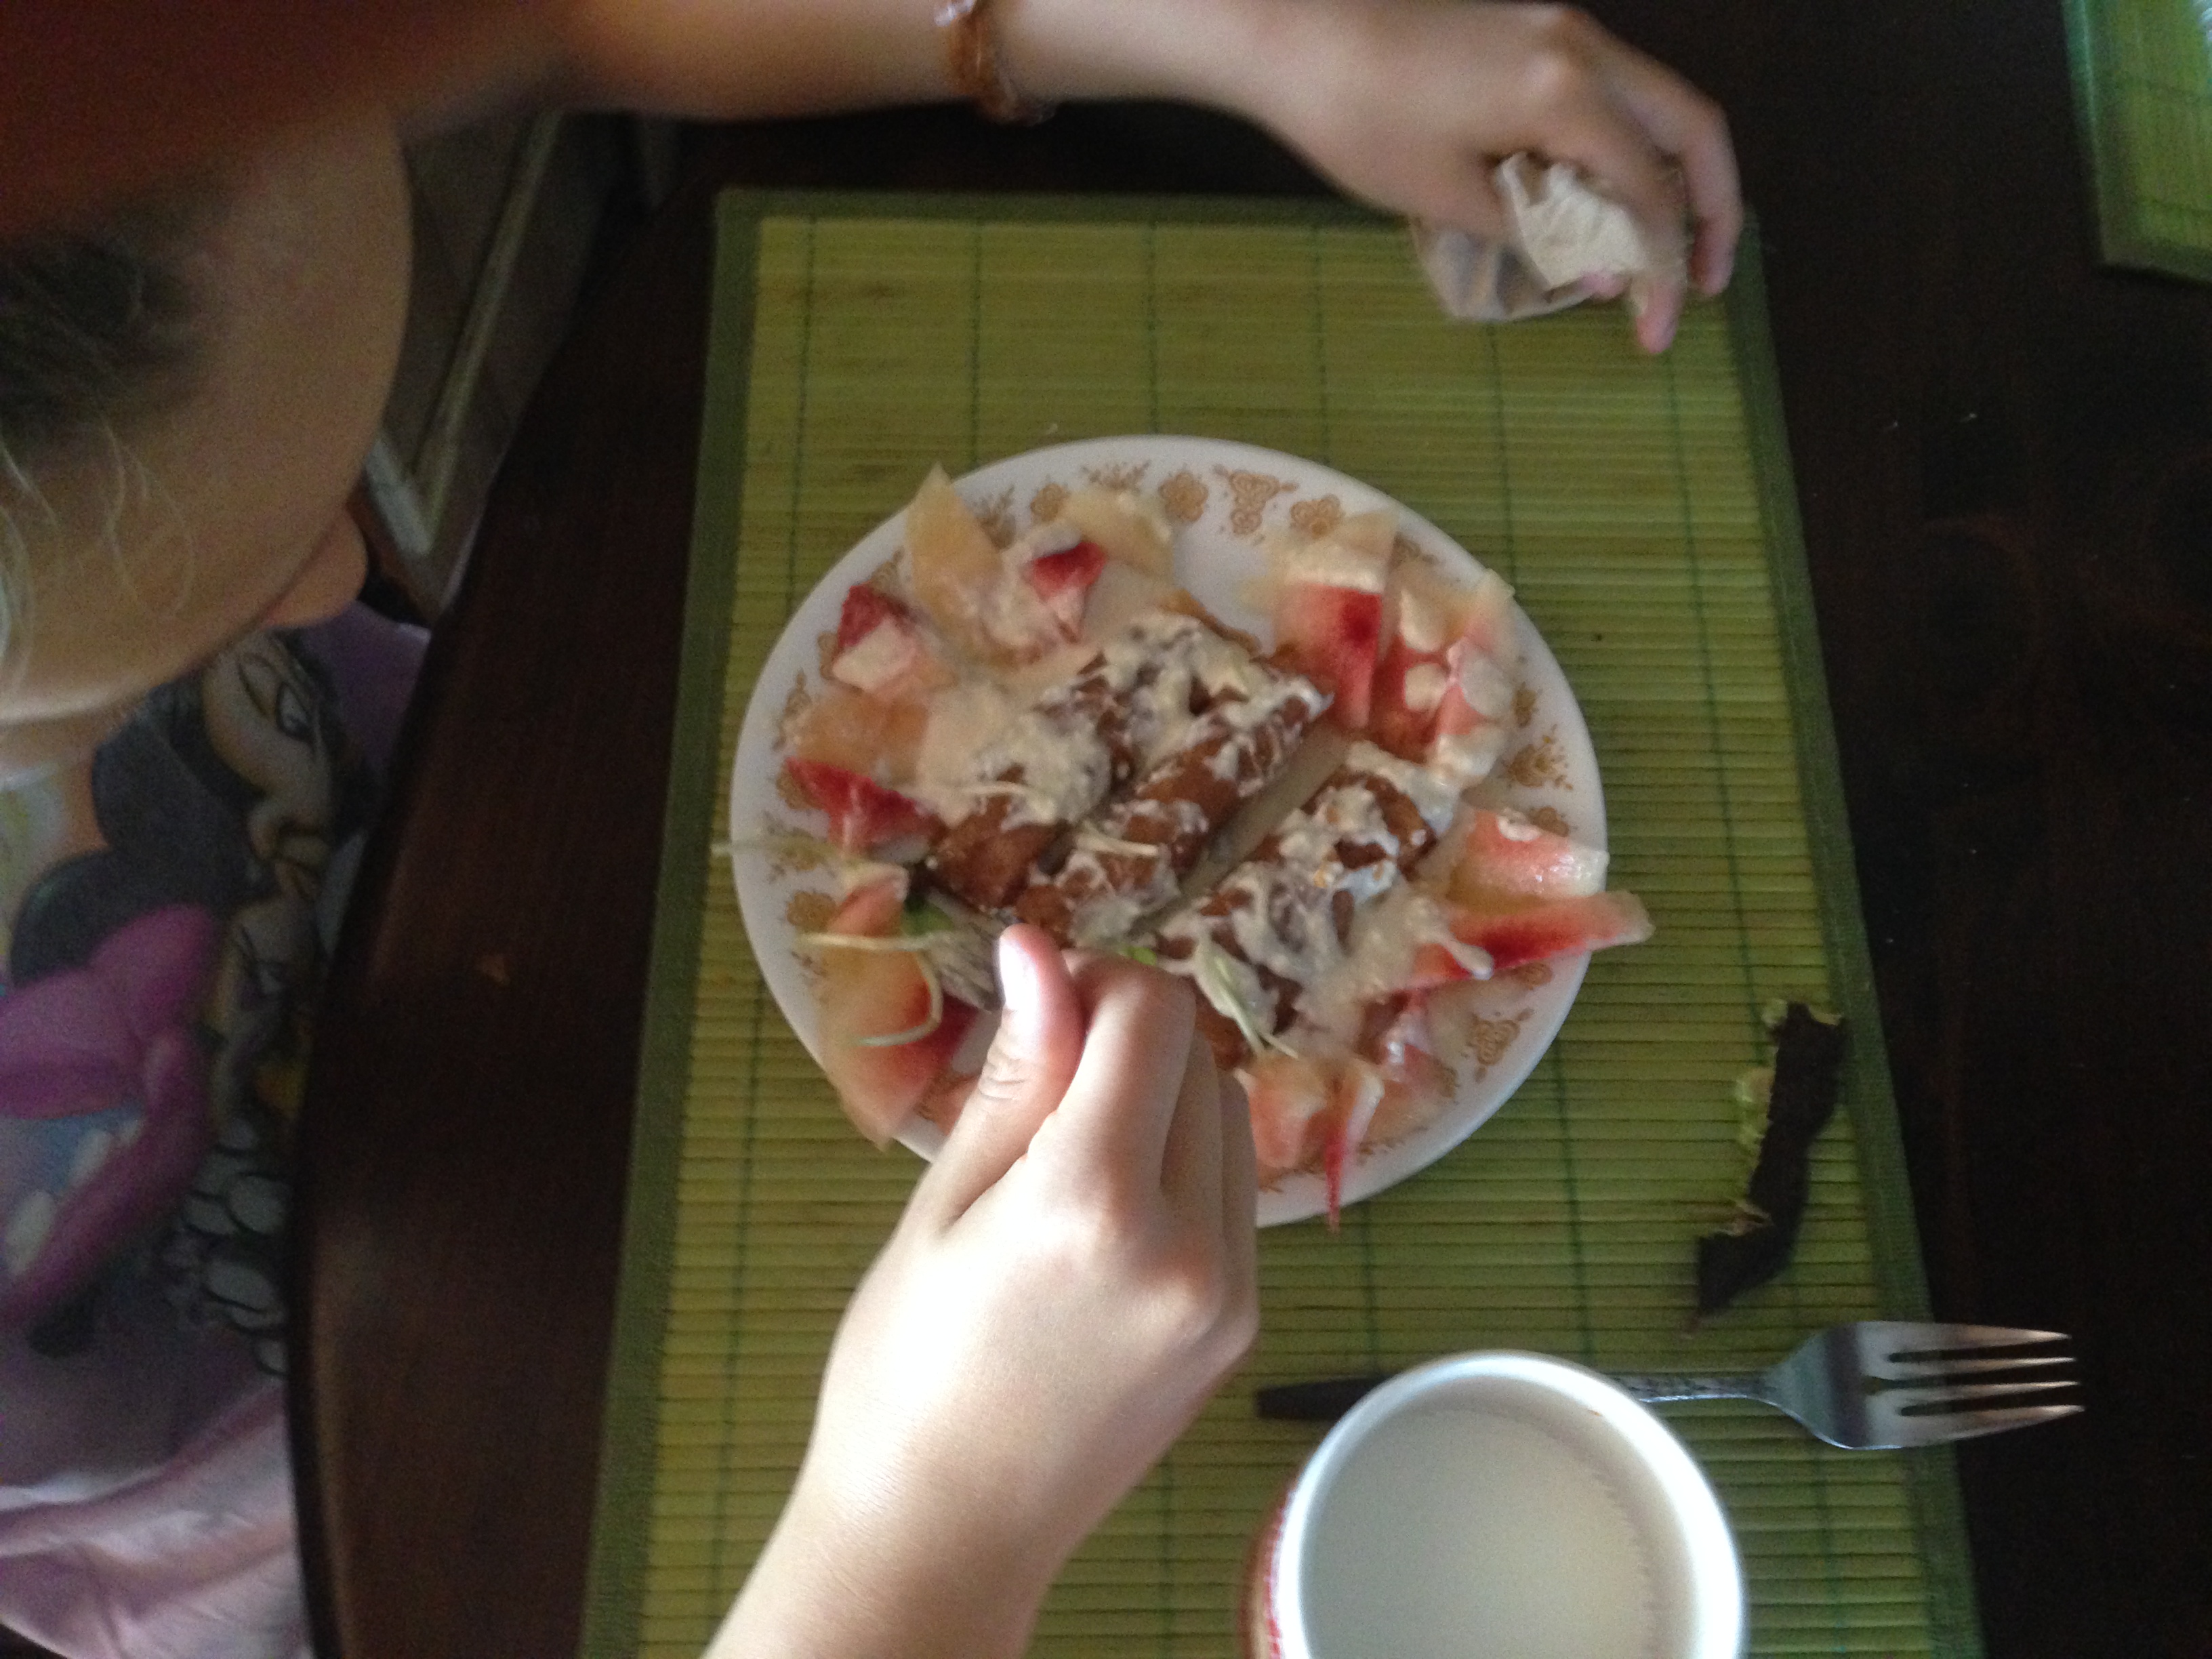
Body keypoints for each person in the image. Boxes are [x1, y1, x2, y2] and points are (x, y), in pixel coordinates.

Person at [0, 6, 1740, 1654]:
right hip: (282, 1531)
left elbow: (550, 24)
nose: (347, 578)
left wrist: (1256, 35)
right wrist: (931, 1525)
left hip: (450, 866)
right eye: (196, 601)